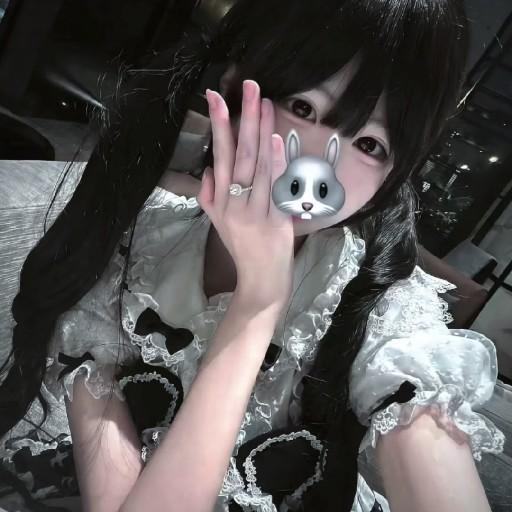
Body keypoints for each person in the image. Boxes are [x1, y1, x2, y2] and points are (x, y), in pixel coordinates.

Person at [0, 0, 506, 511]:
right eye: (303, 107)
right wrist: (258, 301)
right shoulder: (129, 253)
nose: (317, 164)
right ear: (235, 84)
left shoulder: (383, 311)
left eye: (371, 145)